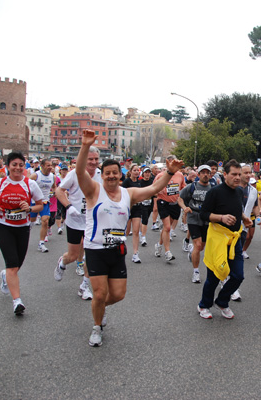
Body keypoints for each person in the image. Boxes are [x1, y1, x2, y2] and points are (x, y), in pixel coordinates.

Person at [76, 129, 183, 347]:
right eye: (107, 173)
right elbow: (80, 173)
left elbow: (154, 187)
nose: (112, 176)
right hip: (95, 249)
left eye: (115, 172)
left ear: (120, 174)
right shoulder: (93, 191)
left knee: (118, 294)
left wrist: (169, 173)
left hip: (117, 250)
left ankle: (100, 309)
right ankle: (97, 326)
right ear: (102, 175)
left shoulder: (129, 193)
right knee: (99, 293)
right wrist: (85, 146)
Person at [0, 152, 44, 315]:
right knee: (12, 263)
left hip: (23, 227)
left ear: (24, 166)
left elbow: (40, 205)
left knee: (17, 265)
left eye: (20, 165)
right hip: (4, 226)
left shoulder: (30, 184)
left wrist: (30, 208)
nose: (17, 168)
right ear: (8, 166)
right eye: (14, 164)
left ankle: (5, 276)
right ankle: (17, 301)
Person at [197, 159, 252, 320]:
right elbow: (203, 214)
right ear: (225, 174)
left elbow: (236, 209)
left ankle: (222, 301)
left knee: (238, 275)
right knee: (214, 277)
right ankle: (204, 305)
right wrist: (221, 218)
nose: (237, 177)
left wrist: (244, 217)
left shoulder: (239, 192)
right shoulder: (215, 192)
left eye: (239, 174)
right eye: (234, 174)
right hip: (218, 239)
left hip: (234, 240)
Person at [53, 146, 102, 301]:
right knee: (73, 255)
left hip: (93, 222)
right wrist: (69, 206)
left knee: (91, 256)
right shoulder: (75, 174)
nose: (94, 162)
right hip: (75, 220)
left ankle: (84, 286)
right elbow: (59, 191)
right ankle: (63, 262)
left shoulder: (101, 174)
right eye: (90, 159)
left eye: (96, 159)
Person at [178, 165, 215, 283]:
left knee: (201, 247)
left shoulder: (214, 188)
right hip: (193, 217)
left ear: (210, 175)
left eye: (207, 173)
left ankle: (192, 252)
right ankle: (196, 272)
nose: (205, 174)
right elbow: (180, 198)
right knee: (198, 245)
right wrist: (185, 208)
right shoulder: (192, 186)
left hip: (207, 219)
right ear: (198, 175)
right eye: (202, 172)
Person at [154, 155, 186, 262]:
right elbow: (153, 189)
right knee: (167, 228)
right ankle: (168, 252)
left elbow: (183, 188)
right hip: (163, 202)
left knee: (166, 229)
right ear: (167, 163)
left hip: (174, 203)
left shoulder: (180, 175)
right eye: (171, 162)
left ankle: (159, 245)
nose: (173, 164)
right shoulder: (160, 175)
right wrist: (159, 191)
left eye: (175, 162)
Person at [29, 159, 56, 252]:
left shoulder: (53, 177)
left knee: (45, 221)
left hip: (45, 202)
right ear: (42, 166)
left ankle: (41, 243)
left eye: (51, 166)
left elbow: (54, 187)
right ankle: (24, 234)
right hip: (34, 202)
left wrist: (55, 192)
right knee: (31, 222)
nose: (50, 167)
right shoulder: (35, 175)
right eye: (48, 165)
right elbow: (26, 185)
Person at [122, 165, 143, 263]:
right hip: (128, 208)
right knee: (126, 231)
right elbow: (122, 194)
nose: (136, 172)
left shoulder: (139, 182)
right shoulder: (126, 182)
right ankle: (122, 248)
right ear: (130, 172)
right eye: (134, 170)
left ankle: (135, 253)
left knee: (136, 231)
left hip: (137, 208)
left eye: (137, 170)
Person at [139, 168, 155, 247]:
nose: (147, 174)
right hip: (141, 203)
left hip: (150, 203)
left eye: (149, 172)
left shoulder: (152, 182)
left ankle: (140, 232)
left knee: (145, 219)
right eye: (146, 172)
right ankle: (143, 237)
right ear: (143, 174)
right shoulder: (140, 182)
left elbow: (155, 192)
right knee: (144, 220)